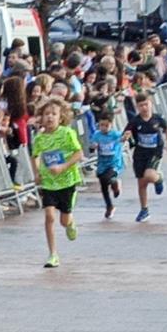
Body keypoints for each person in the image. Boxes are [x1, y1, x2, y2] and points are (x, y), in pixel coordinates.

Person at [31, 99, 85, 268]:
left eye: (54, 114)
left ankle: (70, 223)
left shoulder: (67, 133)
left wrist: (63, 166)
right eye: (46, 114)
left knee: (63, 221)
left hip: (67, 181)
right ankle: (53, 254)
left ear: (61, 117)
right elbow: (35, 156)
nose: (50, 117)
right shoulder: (39, 138)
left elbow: (79, 153)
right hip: (48, 183)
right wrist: (37, 173)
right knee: (49, 216)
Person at [128, 90, 167, 220]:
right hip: (140, 153)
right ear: (137, 107)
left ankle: (158, 179)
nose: (144, 108)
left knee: (149, 175)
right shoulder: (135, 121)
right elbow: (127, 132)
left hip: (155, 152)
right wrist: (125, 137)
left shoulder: (157, 119)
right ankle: (144, 210)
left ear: (151, 104)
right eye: (141, 105)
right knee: (141, 184)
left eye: (146, 104)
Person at [84, 94, 125, 219]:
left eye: (106, 125)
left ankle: (116, 183)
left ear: (111, 125)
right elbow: (91, 146)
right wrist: (94, 146)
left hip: (114, 162)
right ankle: (109, 206)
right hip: (102, 163)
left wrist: (125, 138)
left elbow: (124, 139)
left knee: (109, 178)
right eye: (102, 125)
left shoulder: (115, 134)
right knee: (103, 184)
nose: (104, 128)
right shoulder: (97, 135)